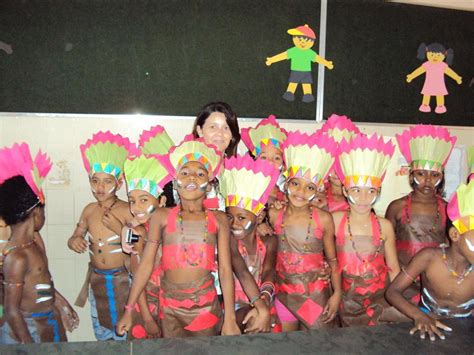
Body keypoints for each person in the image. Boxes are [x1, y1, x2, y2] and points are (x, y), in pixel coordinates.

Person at [117, 137, 241, 337]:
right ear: (176, 182)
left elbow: (226, 270)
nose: (192, 177)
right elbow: (146, 265)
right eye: (185, 173)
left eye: (200, 173)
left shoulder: (218, 219)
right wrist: (129, 310)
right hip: (170, 308)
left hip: (205, 306)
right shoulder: (162, 216)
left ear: (209, 184)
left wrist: (230, 319)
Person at [0, 143, 76, 343]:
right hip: (28, 328)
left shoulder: (34, 242)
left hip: (46, 320)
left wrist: (60, 303)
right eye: (43, 210)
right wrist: (28, 345)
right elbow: (11, 310)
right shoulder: (17, 257)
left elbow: (42, 279)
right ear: (35, 214)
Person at [68, 131, 138, 341]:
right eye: (95, 181)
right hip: (97, 279)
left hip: (123, 278)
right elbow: (74, 237)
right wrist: (75, 241)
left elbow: (140, 242)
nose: (100, 187)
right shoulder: (89, 210)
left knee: (126, 329)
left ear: (119, 183)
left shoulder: (127, 209)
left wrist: (119, 229)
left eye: (107, 181)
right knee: (101, 323)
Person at [268, 131, 341, 331]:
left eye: (309, 188)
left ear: (317, 190)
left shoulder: (323, 218)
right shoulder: (275, 215)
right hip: (284, 294)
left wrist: (337, 294)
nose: (300, 192)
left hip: (315, 294)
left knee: (319, 345)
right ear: (286, 182)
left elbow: (333, 259)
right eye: (295, 184)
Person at [386, 180, 473, 341]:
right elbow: (392, 292)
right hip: (424, 326)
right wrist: (418, 316)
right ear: (455, 235)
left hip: (464, 333)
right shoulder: (429, 257)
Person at [333, 133, 406, 326]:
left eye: (371, 191)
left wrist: (399, 303)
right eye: (356, 190)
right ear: (345, 190)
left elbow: (394, 268)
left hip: (377, 304)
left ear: (378, 192)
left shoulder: (385, 226)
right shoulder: (334, 220)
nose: (363, 198)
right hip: (343, 303)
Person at [386, 125, 456, 305]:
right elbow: (385, 245)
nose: (427, 180)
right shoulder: (396, 207)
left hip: (435, 279)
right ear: (411, 175)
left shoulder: (449, 209)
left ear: (442, 177)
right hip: (401, 279)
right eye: (421, 173)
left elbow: (452, 248)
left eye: (434, 175)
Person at [220, 154, 280, 333]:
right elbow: (242, 271)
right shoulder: (227, 239)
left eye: (241, 218)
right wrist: (259, 306)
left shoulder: (270, 240)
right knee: (251, 321)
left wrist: (265, 301)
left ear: (259, 216)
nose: (234, 224)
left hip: (264, 300)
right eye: (229, 217)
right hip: (233, 307)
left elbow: (269, 271)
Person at [121, 151, 173, 340]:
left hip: (169, 307)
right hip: (145, 307)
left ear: (162, 201)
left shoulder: (171, 230)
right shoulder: (137, 233)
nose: (137, 208)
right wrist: (146, 317)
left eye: (144, 200)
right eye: (132, 201)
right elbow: (137, 277)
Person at [266, 24, 333, 103]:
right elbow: (282, 56)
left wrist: (327, 63)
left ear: (312, 41)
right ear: (294, 38)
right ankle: (290, 94)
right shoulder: (293, 51)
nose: (302, 42)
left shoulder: (310, 53)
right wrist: (272, 60)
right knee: (293, 83)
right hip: (296, 71)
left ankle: (307, 95)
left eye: (306, 40)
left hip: (306, 72)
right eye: (299, 39)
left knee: (306, 84)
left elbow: (318, 59)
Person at [318, 114, 361, 213]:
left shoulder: (361, 197)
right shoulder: (316, 195)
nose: (337, 172)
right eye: (333, 166)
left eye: (341, 166)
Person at [241, 114, 288, 204]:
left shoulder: (287, 189)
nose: (270, 162)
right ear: (254, 160)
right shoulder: (247, 184)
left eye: (277, 158)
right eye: (263, 157)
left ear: (283, 164)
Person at [406, 42, 462, 114]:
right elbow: (419, 71)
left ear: (444, 56)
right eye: (432, 55)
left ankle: (440, 106)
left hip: (439, 84)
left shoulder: (443, 65)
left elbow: (450, 72)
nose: (435, 57)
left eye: (438, 55)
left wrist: (457, 78)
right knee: (427, 94)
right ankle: (425, 105)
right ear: (427, 54)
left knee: (439, 95)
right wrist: (411, 76)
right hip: (429, 83)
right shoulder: (427, 65)